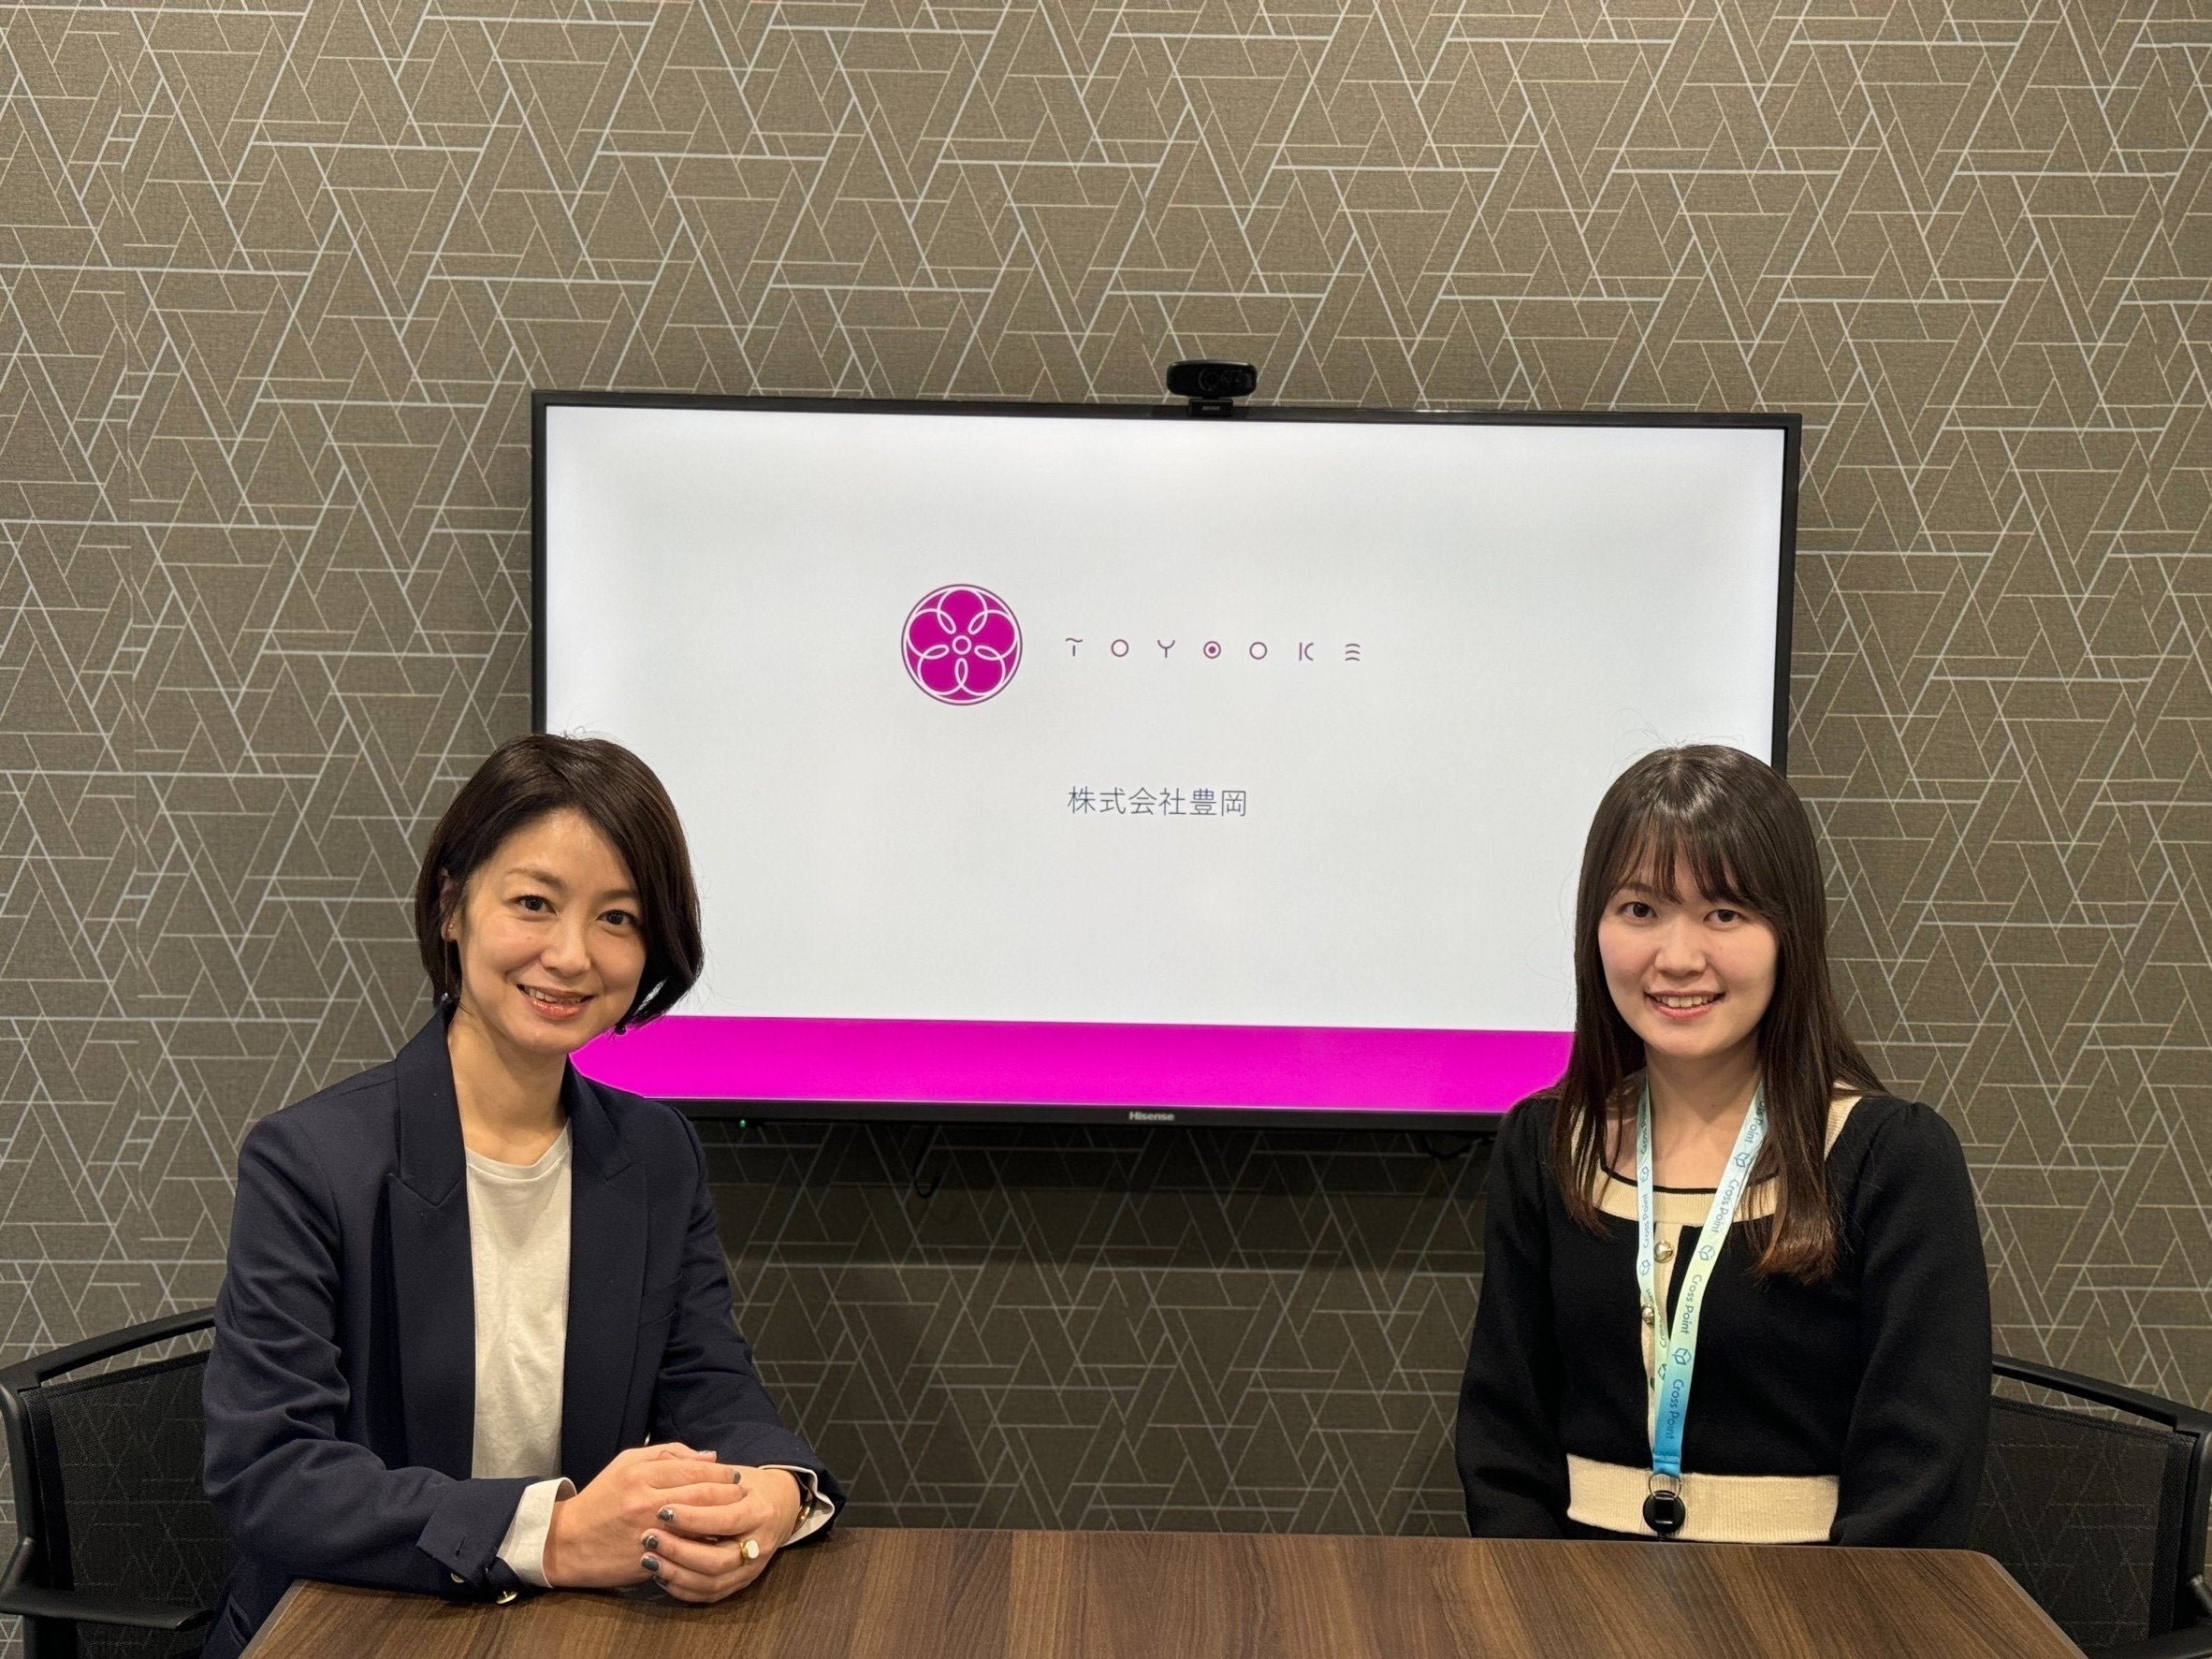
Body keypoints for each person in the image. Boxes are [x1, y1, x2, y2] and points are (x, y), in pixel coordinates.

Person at [201, 735, 843, 1658]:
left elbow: (710, 1390)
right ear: (452, 904)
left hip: (567, 1631)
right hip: (353, 1627)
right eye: (534, 903)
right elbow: (271, 1475)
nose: (572, 955)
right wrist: (557, 1534)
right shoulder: (312, 1160)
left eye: (618, 917)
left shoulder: (656, 1154)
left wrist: (770, 1497)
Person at [1456, 744, 1989, 1545]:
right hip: (1569, 1592)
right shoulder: (1548, 1142)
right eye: (1640, 909)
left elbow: (1917, 1486)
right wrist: (1543, 1603)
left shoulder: (1892, 1158)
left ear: (1789, 932)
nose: (1677, 958)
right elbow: (1502, 1446)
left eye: (1724, 913)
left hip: (1815, 1595)